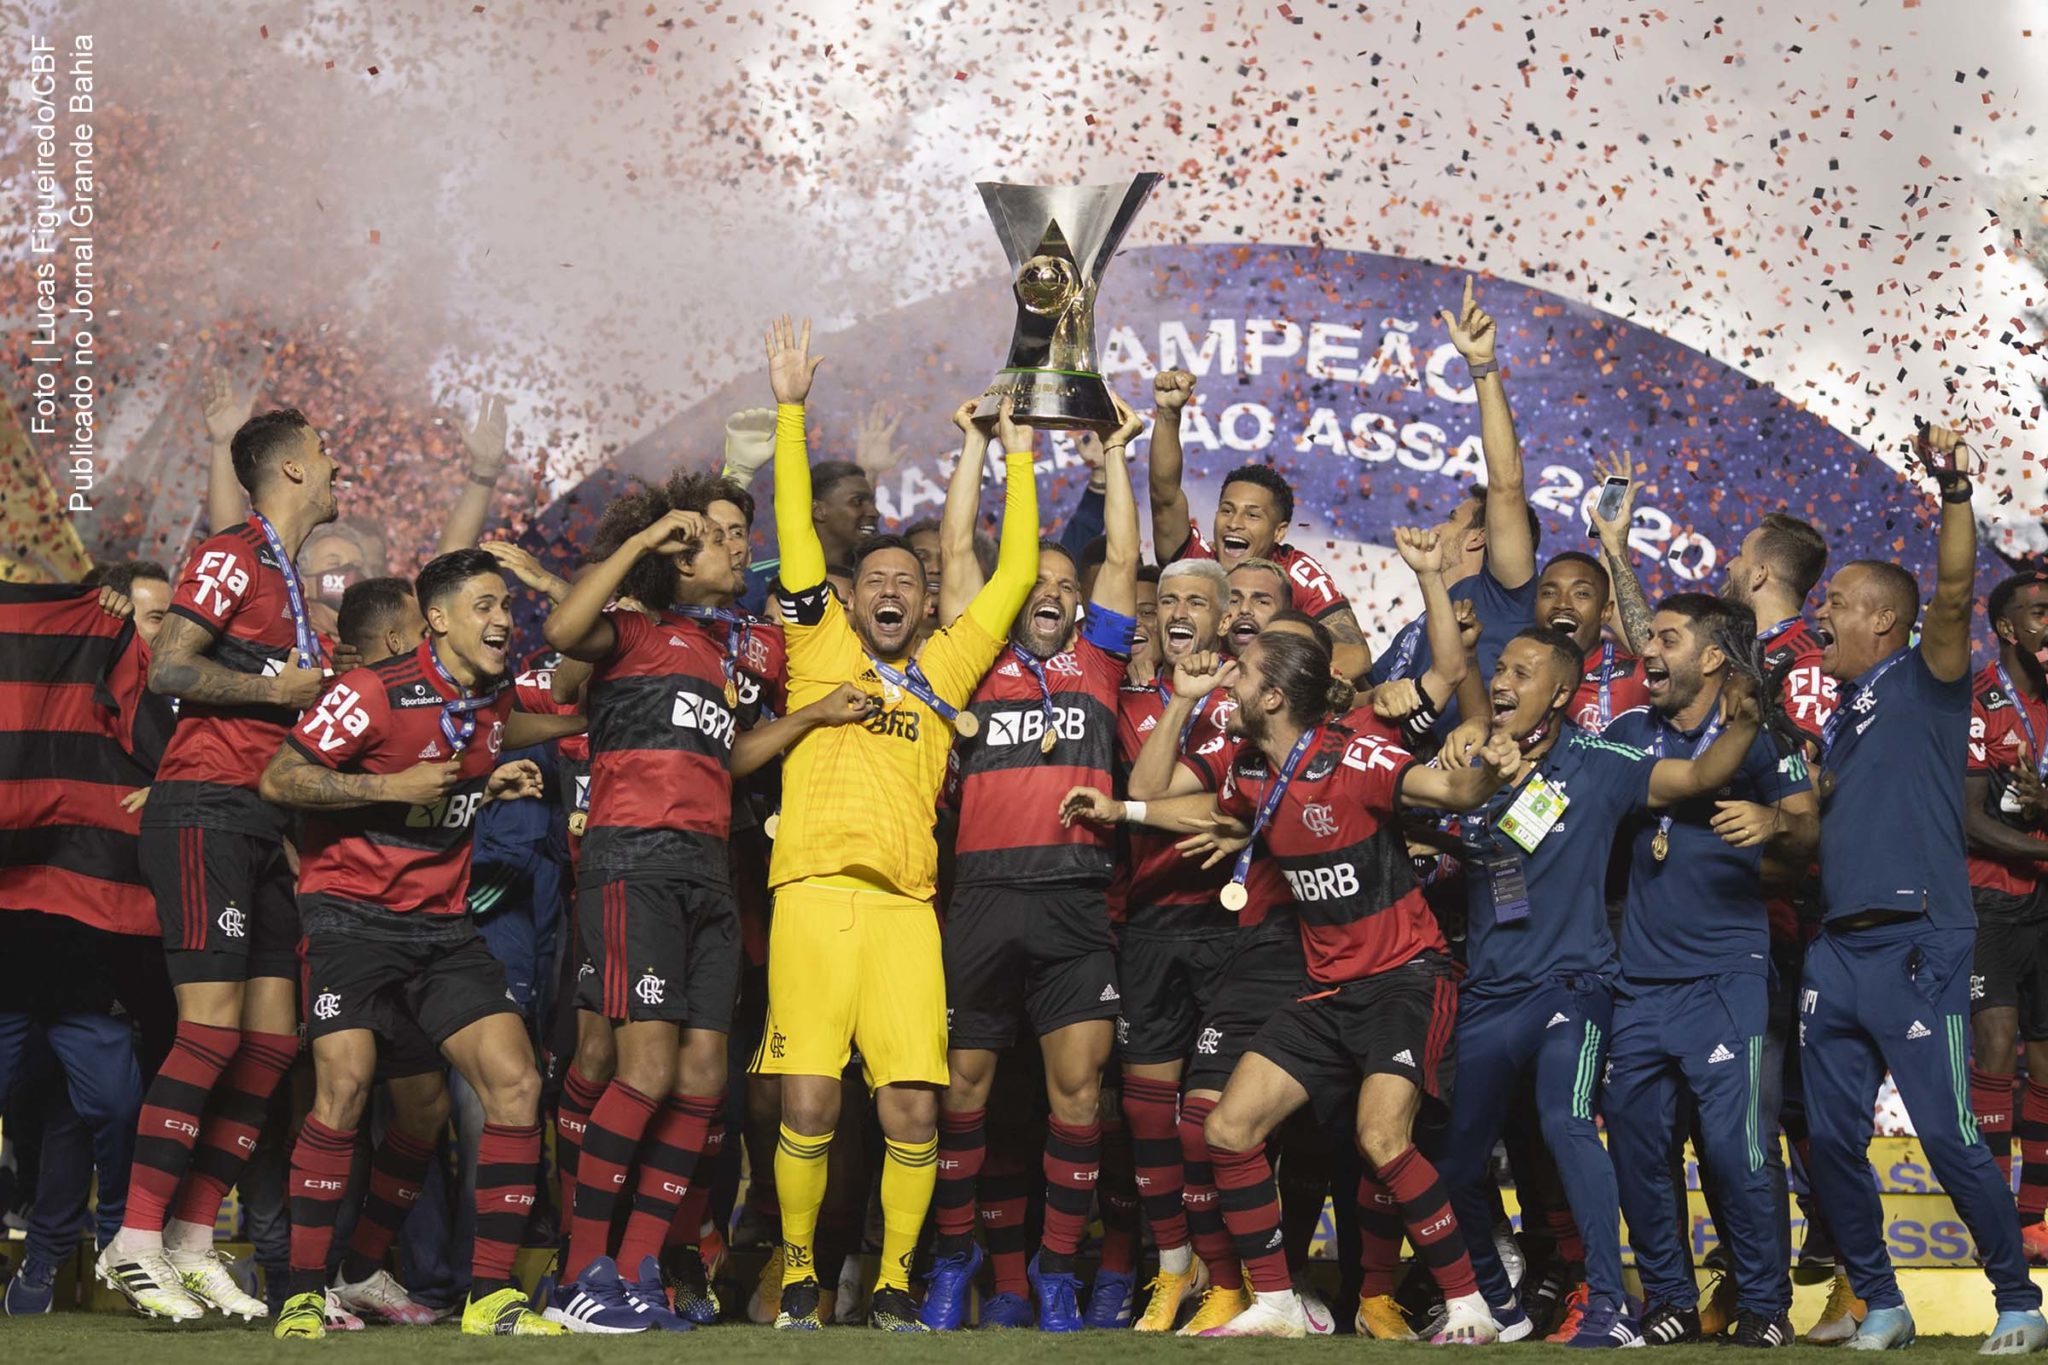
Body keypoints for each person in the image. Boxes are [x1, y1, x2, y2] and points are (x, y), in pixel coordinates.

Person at [1060, 631, 1520, 1339]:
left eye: (1240, 672)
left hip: (1403, 977)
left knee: (1381, 1137)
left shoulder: (1357, 758)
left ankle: (1470, 1304)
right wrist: (1126, 811)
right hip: (1326, 988)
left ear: (1272, 696)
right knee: (1227, 1128)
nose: (1226, 677)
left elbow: (1455, 788)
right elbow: (1188, 805)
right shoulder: (1251, 768)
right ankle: (1275, 1304)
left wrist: (1491, 765)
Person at [748, 317, 1040, 1332]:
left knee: (916, 1110)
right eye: (872, 579)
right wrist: (790, 412)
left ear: (922, 608)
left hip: (905, 916)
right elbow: (793, 531)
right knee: (809, 1106)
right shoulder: (817, 649)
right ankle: (794, 1277)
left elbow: (1010, 577)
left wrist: (1015, 449)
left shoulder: (945, 670)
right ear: (848, 595)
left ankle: (890, 1284)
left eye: (905, 585)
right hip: (812, 901)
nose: (888, 590)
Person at [539, 475, 869, 1332]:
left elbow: (728, 761)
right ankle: (580, 1271)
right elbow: (559, 629)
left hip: (707, 876)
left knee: (699, 1081)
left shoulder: (723, 651)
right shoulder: (630, 630)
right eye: (719, 536)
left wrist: (818, 714)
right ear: (676, 557)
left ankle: (645, 1265)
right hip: (633, 867)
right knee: (641, 1070)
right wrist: (642, 543)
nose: (735, 547)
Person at [257, 548, 578, 1338]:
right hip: (350, 920)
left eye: (506, 604)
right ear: (435, 619)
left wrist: (494, 772)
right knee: (345, 1086)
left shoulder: (493, 703)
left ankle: (488, 1296)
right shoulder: (370, 690)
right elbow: (280, 778)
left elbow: (530, 713)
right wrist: (388, 788)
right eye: (483, 605)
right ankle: (302, 1293)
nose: (502, 618)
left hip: (442, 928)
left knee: (510, 1086)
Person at [1435, 626, 1765, 1348]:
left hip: (1572, 986)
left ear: (1559, 693)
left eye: (1524, 672)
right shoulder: (1466, 761)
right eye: (1500, 668)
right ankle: (1505, 1306)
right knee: (1456, 1163)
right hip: (1489, 992)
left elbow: (1701, 776)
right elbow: (1418, 823)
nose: (1503, 681)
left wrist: (1744, 722)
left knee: (1565, 1120)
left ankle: (1611, 1306)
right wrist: (1477, 772)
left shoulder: (1602, 763)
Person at [1803, 426, 2048, 1353]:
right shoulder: (1841, 713)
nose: (1820, 616)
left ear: (1880, 618)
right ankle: (1884, 1300)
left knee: (1948, 1138)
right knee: (1828, 1141)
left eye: (1835, 602)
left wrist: (1953, 487)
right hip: (1837, 945)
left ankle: (2017, 1302)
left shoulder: (1929, 673)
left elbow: (1950, 590)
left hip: (1918, 940)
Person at [98, 407, 340, 1322]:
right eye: (321, 454)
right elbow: (169, 669)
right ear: (286, 469)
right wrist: (274, 690)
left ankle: (196, 1241)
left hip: (264, 825)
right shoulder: (231, 553)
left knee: (274, 1039)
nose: (333, 464)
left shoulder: (286, 578)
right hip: (203, 810)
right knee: (208, 1030)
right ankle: (133, 1238)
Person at [918, 397, 1143, 1332]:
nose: (1049, 589)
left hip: (1074, 904)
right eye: (1036, 580)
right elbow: (961, 550)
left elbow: (1124, 560)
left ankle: (1056, 1270)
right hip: (980, 901)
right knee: (962, 1094)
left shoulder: (1097, 660)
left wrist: (1121, 453)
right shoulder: (979, 659)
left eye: (1063, 581)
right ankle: (955, 1260)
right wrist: (976, 443)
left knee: (1078, 1096)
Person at [1600, 593, 1816, 1347]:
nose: (1647, 649)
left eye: (1666, 637)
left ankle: (1765, 1303)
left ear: (1714, 657)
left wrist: (1774, 824)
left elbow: (1807, 834)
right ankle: (1668, 1296)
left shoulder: (1764, 738)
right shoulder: (1629, 730)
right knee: (1636, 1141)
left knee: (1735, 1147)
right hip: (1638, 977)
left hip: (1727, 974)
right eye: (1646, 636)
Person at [1368, 278, 1542, 734]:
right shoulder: (1421, 623)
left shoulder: (1503, 596)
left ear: (1479, 536)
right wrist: (1375, 694)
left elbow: (1506, 485)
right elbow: (1364, 689)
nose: (1438, 527)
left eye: (1452, 518)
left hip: (1467, 770)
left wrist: (1482, 364)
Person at [1146, 371, 1373, 679]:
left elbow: (1354, 654)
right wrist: (1168, 414)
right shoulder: (1196, 562)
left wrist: (1263, 680)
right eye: (1227, 510)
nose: (1234, 523)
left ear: (1279, 531)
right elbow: (1165, 497)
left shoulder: (1298, 573)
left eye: (1252, 515)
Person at [1965, 571, 2048, 1260]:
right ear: (2008, 628)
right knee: (1994, 1050)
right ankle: (1993, 1217)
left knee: (2046, 1056)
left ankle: (2034, 1216)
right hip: (1989, 897)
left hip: (2046, 898)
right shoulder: (1980, 698)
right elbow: (1967, 821)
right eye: (2041, 612)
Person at [1534, 551, 1650, 735]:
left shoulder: (1634, 676)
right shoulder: (1512, 673)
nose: (1563, 604)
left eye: (1581, 594)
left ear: (1605, 612)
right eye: (1549, 593)